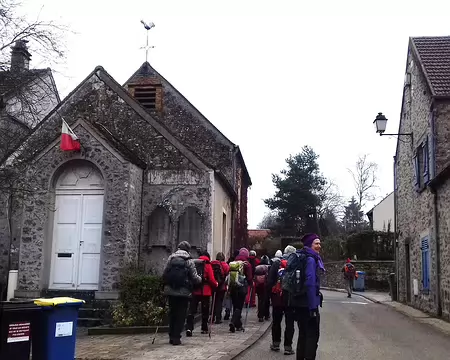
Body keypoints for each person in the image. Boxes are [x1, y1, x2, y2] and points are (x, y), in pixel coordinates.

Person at [285, 233, 324, 360]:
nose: (319, 246)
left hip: (298, 302)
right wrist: (313, 308)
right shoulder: (311, 259)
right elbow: (310, 283)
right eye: (316, 243)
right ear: (309, 245)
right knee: (312, 336)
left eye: (319, 243)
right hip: (308, 304)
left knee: (302, 334)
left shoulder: (302, 256)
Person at [163, 241, 202, 345]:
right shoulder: (189, 261)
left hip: (171, 290)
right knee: (181, 315)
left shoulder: (171, 258)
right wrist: (200, 279)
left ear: (178, 248)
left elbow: (165, 272)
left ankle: (171, 335)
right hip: (183, 292)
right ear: (188, 249)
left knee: (172, 313)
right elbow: (194, 278)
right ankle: (176, 337)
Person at [268, 245, 296, 355]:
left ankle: (275, 344)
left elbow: (270, 281)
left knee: (276, 322)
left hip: (277, 298)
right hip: (290, 298)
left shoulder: (276, 263)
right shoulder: (294, 264)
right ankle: (288, 347)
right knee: (290, 323)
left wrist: (270, 295)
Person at [186, 251, 218, 336]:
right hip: (205, 291)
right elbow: (211, 279)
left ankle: (189, 328)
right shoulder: (208, 265)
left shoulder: (195, 264)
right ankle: (204, 328)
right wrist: (216, 284)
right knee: (205, 311)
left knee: (192, 310)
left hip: (195, 290)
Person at [228, 247, 253, 333]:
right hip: (242, 287)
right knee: (239, 306)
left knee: (235, 305)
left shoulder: (233, 263)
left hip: (233, 287)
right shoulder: (247, 264)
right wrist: (251, 284)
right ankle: (233, 322)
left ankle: (238, 324)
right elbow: (249, 277)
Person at [211, 252, 230, 324]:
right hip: (222, 287)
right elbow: (227, 276)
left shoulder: (212, 263)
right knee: (219, 302)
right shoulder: (226, 265)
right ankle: (218, 318)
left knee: (213, 301)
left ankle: (212, 317)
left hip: (214, 286)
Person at [224, 249, 240, 320]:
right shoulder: (238, 264)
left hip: (229, 284)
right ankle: (234, 315)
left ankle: (227, 312)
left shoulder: (229, 262)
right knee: (235, 300)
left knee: (228, 299)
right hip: (236, 284)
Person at [254, 255, 270, 322]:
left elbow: (254, 276)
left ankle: (260, 315)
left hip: (259, 286)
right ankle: (266, 314)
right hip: (266, 286)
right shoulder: (269, 267)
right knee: (266, 300)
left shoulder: (257, 268)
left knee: (260, 300)